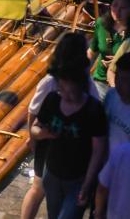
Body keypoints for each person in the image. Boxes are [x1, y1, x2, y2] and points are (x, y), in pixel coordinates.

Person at [22, 32, 91, 219]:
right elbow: (34, 112)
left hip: (71, 148)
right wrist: (33, 136)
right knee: (39, 187)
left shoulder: (85, 82)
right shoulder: (50, 83)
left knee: (50, 193)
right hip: (50, 142)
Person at [31, 61, 108, 218]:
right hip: (52, 173)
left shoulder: (93, 109)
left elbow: (98, 151)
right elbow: (35, 127)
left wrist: (88, 183)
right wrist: (43, 133)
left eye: (71, 91)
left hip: (78, 178)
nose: (66, 95)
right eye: (62, 89)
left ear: (81, 86)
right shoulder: (53, 99)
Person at [88, 0, 130, 99]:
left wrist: (118, 62)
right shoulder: (101, 23)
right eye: (115, 5)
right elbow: (91, 51)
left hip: (124, 86)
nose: (117, 11)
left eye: (123, 8)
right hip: (100, 81)